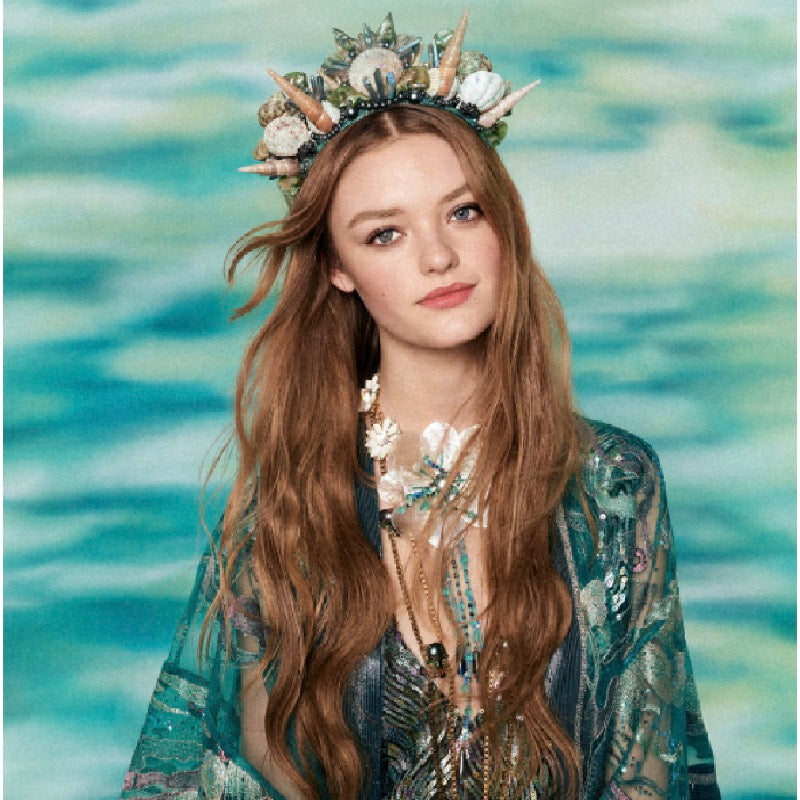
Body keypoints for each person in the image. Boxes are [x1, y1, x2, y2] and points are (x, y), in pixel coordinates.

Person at [120, 12, 720, 800]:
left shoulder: (614, 481)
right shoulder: (292, 504)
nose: (439, 256)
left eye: (463, 211)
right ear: (337, 267)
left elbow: (653, 759)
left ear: (502, 221)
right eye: (384, 235)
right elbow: (221, 770)